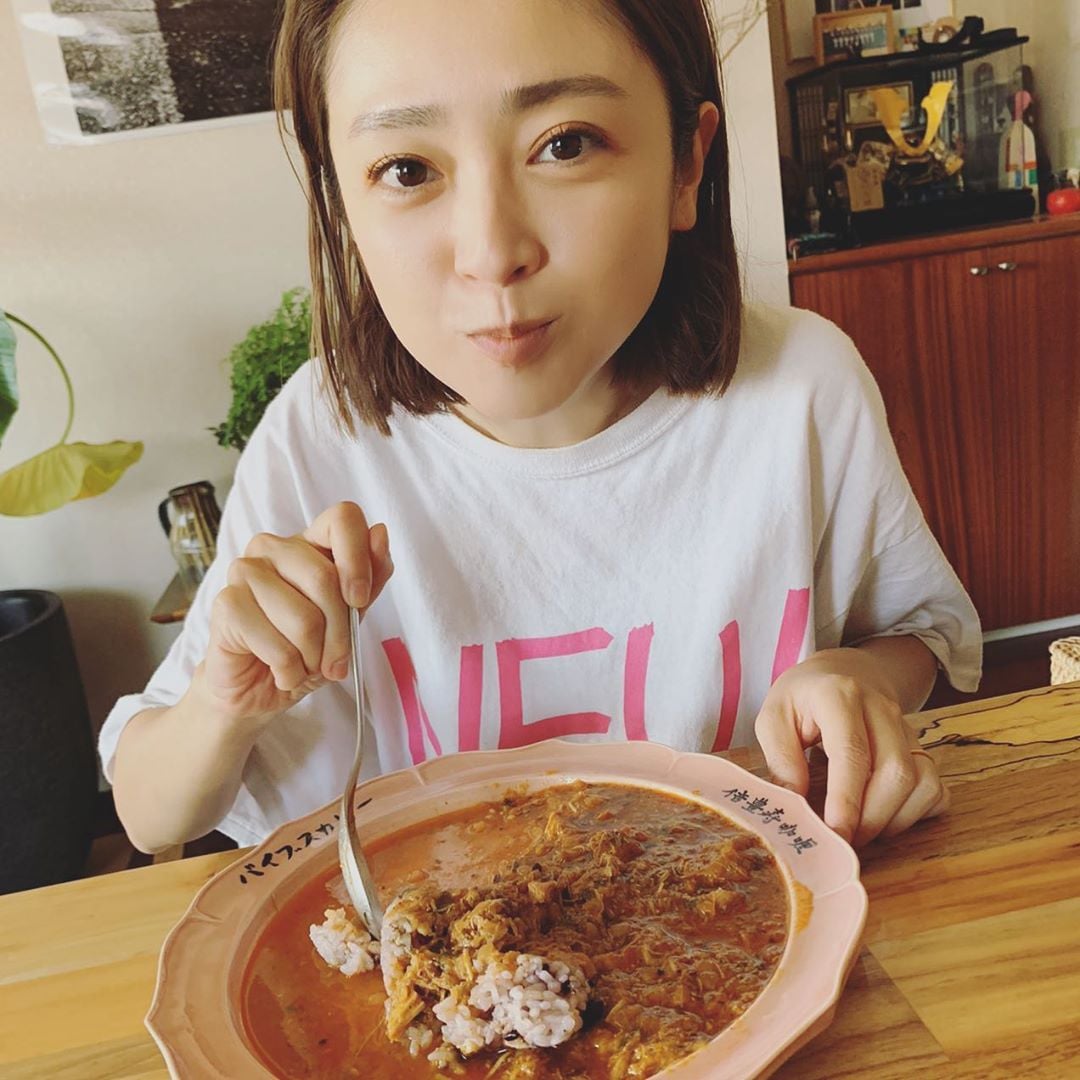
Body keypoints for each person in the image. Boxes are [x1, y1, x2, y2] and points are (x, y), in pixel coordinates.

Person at [102, 0, 981, 857]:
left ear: (686, 164)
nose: (493, 253)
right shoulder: (316, 438)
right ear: (339, 197)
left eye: (566, 144)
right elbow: (151, 815)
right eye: (406, 169)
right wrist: (226, 702)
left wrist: (859, 676)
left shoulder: (800, 388)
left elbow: (920, 635)